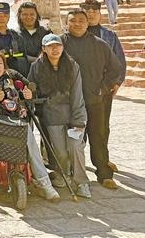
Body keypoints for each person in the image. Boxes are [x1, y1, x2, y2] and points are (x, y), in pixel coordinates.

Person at [0, 49, 60, 201]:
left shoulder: (11, 75)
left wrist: (29, 92)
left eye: (0, 63)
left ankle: (44, 183)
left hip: (16, 120)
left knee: (30, 141)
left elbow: (29, 86)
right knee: (0, 137)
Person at [62, 9, 122, 189]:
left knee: (98, 135)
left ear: (87, 23)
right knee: (72, 138)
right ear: (67, 23)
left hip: (95, 99)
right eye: (73, 20)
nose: (77, 24)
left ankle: (104, 174)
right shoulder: (60, 43)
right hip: (68, 101)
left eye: (81, 20)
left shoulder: (99, 44)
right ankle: (70, 172)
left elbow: (115, 69)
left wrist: (102, 89)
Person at [27, 35, 91, 198]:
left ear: (63, 47)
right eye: (50, 46)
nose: (55, 49)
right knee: (60, 152)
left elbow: (77, 95)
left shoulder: (72, 66)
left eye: (58, 45)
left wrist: (78, 120)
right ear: (44, 49)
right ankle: (65, 175)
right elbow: (30, 88)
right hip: (51, 115)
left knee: (76, 148)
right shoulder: (37, 67)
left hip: (74, 113)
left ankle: (82, 182)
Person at [0, 2, 34, 76]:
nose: (2, 18)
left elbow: (24, 59)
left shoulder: (17, 37)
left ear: (9, 17)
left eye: (5, 15)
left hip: (19, 78)